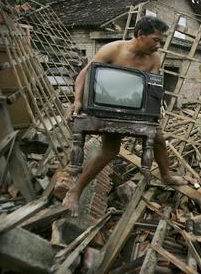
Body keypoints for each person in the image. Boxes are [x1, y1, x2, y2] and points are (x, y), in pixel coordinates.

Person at [63, 16, 186, 217]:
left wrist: (156, 109)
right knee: (110, 152)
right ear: (140, 35)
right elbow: (84, 74)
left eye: (160, 41)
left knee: (159, 138)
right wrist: (77, 100)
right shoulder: (113, 49)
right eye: (155, 39)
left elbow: (153, 88)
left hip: (135, 111)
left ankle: (166, 175)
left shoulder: (154, 58)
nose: (158, 45)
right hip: (109, 109)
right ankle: (75, 191)